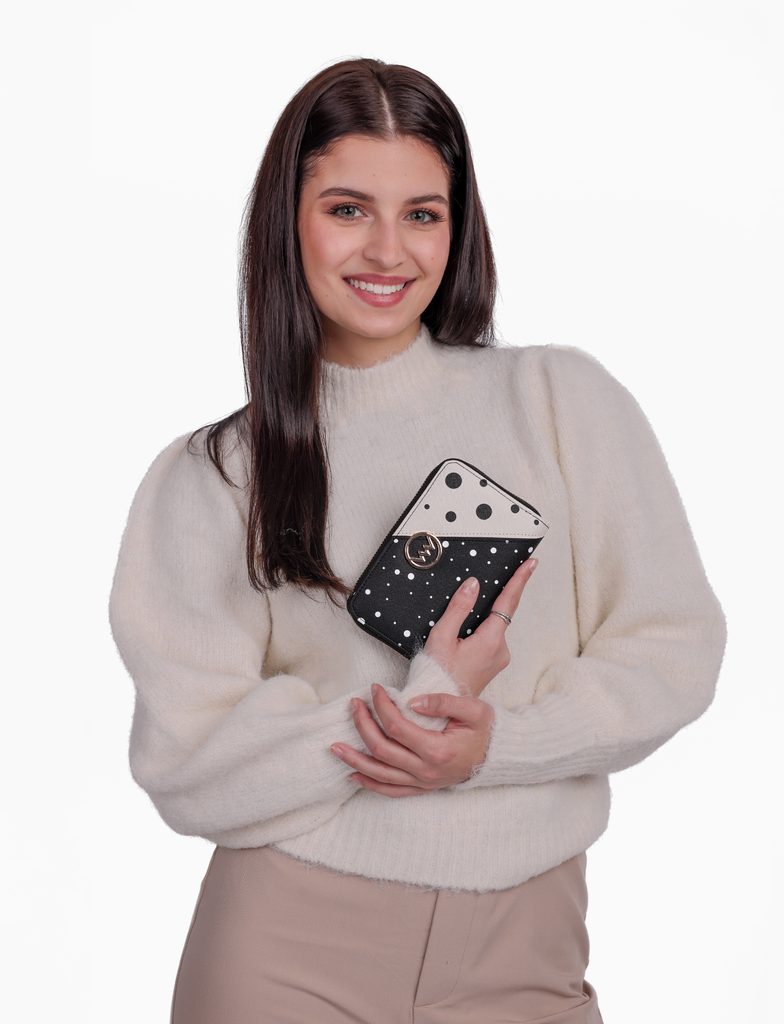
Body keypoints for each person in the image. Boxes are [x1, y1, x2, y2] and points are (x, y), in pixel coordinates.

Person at [108, 57, 727, 1024]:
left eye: (423, 214)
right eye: (348, 209)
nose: (388, 251)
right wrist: (422, 705)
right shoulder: (214, 476)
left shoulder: (559, 401)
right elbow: (189, 763)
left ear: (457, 226)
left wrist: (496, 747)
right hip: (285, 946)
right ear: (287, 223)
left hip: (526, 946)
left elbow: (673, 648)